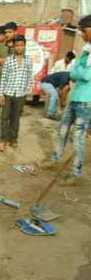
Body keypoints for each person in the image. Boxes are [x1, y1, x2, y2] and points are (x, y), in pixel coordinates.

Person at [47, 15, 91, 186]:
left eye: (84, 31)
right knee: (63, 130)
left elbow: (85, 75)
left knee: (78, 136)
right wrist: (79, 71)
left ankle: (76, 173)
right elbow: (73, 74)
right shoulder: (86, 50)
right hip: (76, 98)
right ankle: (56, 160)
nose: (81, 34)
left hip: (87, 102)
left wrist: (79, 71)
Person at [0, 35, 33, 152]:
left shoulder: (28, 60)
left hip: (20, 95)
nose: (19, 48)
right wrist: (1, 94)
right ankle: (3, 140)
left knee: (15, 118)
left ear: (24, 46)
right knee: (4, 117)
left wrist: (26, 92)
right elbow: (4, 78)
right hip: (8, 93)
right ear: (14, 46)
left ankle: (13, 140)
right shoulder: (8, 60)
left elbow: (29, 77)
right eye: (17, 45)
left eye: (21, 45)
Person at [0, 22, 18, 118]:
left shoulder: (19, 46)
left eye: (10, 32)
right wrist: (7, 60)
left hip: (12, 82)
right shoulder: (1, 46)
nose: (7, 34)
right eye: (6, 32)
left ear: (15, 32)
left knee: (8, 111)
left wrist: (1, 60)